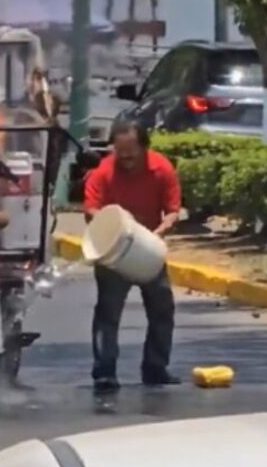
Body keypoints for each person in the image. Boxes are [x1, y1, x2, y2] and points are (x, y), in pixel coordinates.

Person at [83, 118, 183, 392]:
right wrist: (113, 224)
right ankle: (104, 372)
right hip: (114, 251)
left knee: (162, 308)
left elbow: (173, 210)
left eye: (131, 155)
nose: (125, 159)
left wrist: (159, 233)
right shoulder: (104, 172)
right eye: (120, 153)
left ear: (144, 148)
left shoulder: (161, 169)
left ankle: (155, 367)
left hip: (147, 247)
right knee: (108, 312)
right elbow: (91, 208)